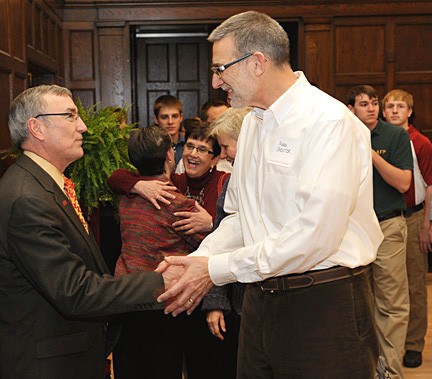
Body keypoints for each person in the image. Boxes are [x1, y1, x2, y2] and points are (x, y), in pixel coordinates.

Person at [156, 11, 383, 379]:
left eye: (221, 69)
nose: (215, 81)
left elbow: (315, 238)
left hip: (323, 303)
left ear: (257, 63)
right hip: (260, 300)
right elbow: (241, 217)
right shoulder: (254, 125)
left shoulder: (328, 122)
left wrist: (216, 269)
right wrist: (199, 261)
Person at [0, 85, 168, 379]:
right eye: (70, 116)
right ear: (37, 128)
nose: (83, 126)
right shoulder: (27, 199)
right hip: (49, 366)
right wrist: (163, 283)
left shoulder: (43, 185)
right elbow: (75, 291)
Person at [111, 126, 206, 379]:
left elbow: (117, 178)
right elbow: (208, 247)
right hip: (162, 302)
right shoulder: (177, 203)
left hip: (126, 295)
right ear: (169, 156)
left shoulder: (126, 196)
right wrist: (211, 223)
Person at [347, 85, 413, 379]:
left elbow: (403, 183)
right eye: (364, 103)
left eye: (374, 102)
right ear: (351, 110)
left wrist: (370, 153)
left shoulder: (395, 135)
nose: (372, 107)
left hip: (388, 225)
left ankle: (390, 372)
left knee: (391, 303)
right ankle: (365, 368)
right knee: (359, 301)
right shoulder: (340, 134)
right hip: (353, 229)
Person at [382, 89, 432, 368]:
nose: (395, 111)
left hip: (413, 217)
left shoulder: (420, 142)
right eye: (389, 107)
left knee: (414, 285)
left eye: (400, 106)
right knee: (389, 287)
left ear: (410, 112)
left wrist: (427, 223)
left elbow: (431, 184)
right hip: (385, 219)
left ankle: (413, 344)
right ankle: (390, 344)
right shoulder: (377, 138)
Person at [200, 106, 251, 379]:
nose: (222, 155)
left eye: (225, 146)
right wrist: (215, 302)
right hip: (237, 303)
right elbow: (220, 240)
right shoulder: (231, 182)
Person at [108, 122, 229, 232]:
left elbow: (238, 227)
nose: (193, 154)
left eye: (202, 150)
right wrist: (138, 185)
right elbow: (115, 179)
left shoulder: (225, 183)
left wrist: (212, 223)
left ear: (215, 160)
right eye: (190, 146)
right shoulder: (173, 181)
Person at [153, 94, 185, 166]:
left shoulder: (189, 146)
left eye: (174, 116)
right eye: (164, 117)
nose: (170, 122)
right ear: (156, 119)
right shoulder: (150, 148)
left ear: (181, 117)